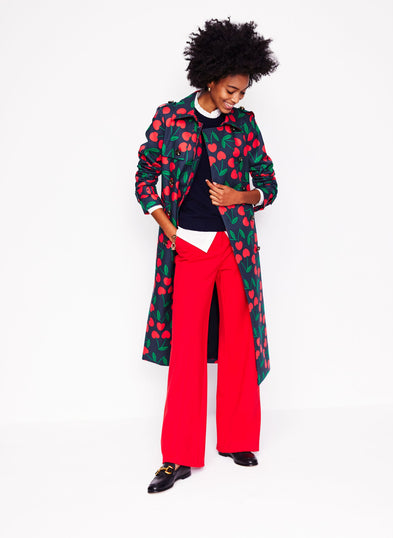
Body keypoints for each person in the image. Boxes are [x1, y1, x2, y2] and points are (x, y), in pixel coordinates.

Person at [134, 17, 279, 493]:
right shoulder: (170, 118)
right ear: (211, 78)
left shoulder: (245, 125)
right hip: (189, 247)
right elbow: (144, 178)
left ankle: (237, 440)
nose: (237, 98)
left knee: (238, 343)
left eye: (243, 92)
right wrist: (171, 231)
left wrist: (242, 197)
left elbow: (269, 182)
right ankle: (177, 457)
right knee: (187, 351)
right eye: (232, 90)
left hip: (236, 249)